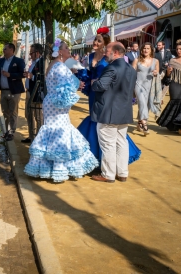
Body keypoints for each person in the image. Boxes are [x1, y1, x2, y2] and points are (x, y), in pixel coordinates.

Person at [24, 40, 98, 182]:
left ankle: (52, 166)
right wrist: (78, 84)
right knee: (59, 132)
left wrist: (74, 80)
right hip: (57, 103)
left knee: (54, 131)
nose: (69, 50)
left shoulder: (55, 65)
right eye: (66, 48)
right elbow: (64, 87)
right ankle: (58, 167)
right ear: (60, 52)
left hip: (53, 102)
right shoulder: (59, 67)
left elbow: (63, 84)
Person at [77, 27, 141, 165]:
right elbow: (87, 74)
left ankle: (103, 160)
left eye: (99, 40)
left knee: (105, 125)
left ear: (105, 44)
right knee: (97, 121)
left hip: (106, 92)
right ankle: (96, 157)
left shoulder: (109, 60)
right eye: (95, 39)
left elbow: (112, 77)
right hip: (93, 92)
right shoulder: (90, 57)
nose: (95, 42)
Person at [91, 42, 137, 183]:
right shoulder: (131, 69)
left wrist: (94, 82)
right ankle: (122, 173)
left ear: (116, 52)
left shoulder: (112, 68)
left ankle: (108, 174)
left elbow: (101, 85)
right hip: (124, 112)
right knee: (121, 143)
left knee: (108, 144)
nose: (105, 52)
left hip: (108, 112)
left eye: (107, 50)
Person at [0, 43, 25, 141]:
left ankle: (12, 132)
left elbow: (22, 74)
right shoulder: (1, 61)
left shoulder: (19, 61)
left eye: (5, 49)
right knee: (5, 112)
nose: (3, 50)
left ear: (11, 50)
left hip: (14, 91)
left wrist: (10, 75)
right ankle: (6, 131)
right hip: (3, 91)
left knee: (13, 112)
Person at [132, 42, 159, 135]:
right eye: (144, 48)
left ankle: (139, 123)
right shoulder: (137, 60)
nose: (145, 50)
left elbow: (158, 75)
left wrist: (156, 73)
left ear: (151, 50)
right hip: (138, 85)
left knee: (146, 105)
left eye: (148, 48)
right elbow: (131, 74)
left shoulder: (156, 61)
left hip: (150, 86)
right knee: (142, 103)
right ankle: (145, 124)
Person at [22, 44, 44, 143]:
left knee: (38, 116)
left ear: (37, 53)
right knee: (29, 114)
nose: (30, 55)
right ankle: (31, 136)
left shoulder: (42, 63)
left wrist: (32, 77)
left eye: (31, 53)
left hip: (37, 93)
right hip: (29, 91)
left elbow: (43, 78)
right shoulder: (33, 63)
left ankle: (39, 139)